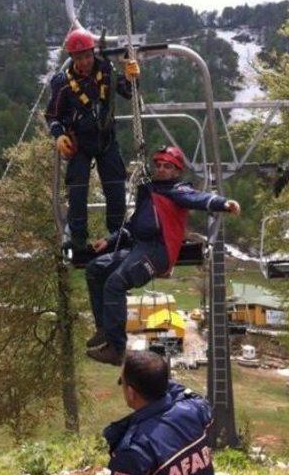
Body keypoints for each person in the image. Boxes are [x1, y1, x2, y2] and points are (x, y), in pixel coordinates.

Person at [85, 145, 240, 365]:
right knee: (95, 269)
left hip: (158, 252)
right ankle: (104, 328)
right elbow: (133, 226)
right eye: (158, 165)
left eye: (167, 166)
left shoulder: (176, 191)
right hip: (140, 247)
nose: (161, 169)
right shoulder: (149, 191)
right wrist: (109, 241)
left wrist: (222, 203)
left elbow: (197, 198)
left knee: (115, 283)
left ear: (176, 171)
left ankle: (116, 349)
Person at [45, 28, 139, 255]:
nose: (85, 62)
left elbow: (128, 93)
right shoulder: (63, 83)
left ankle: (117, 235)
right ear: (72, 59)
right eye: (79, 58)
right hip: (79, 143)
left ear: (93, 53)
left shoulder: (106, 70)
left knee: (115, 186)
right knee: (77, 189)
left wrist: (131, 77)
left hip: (106, 139)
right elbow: (52, 116)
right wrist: (59, 136)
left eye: (87, 56)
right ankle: (77, 238)